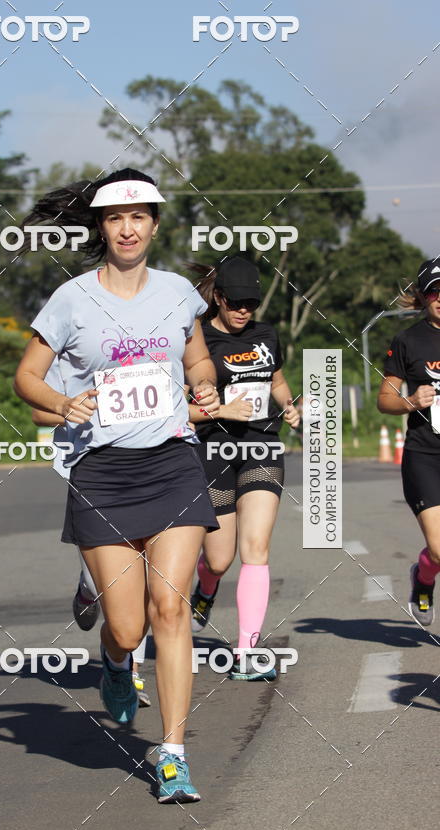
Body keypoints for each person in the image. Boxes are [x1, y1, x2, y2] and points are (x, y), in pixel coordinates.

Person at [14, 168, 220, 802]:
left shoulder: (180, 292)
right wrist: (62, 402)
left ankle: (173, 753)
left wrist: (206, 383)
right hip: (102, 472)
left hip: (174, 463)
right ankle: (114, 659)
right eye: (114, 218)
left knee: (172, 610)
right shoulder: (73, 299)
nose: (127, 228)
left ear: (154, 225)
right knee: (128, 628)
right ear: (100, 228)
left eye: (139, 217)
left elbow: (196, 358)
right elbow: (27, 377)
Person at [187, 257, 300, 679]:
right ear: (218, 297)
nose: (243, 311)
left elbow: (277, 382)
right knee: (219, 560)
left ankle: (247, 653)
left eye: (250, 303)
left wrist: (289, 407)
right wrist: (222, 412)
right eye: (235, 303)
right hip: (214, 451)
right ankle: (207, 587)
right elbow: (177, 410)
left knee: (256, 549)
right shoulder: (197, 341)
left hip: (262, 447)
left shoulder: (266, 334)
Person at [30, 378, 151, 707]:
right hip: (89, 470)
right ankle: (87, 590)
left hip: (148, 469)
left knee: (147, 581)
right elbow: (39, 414)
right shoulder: (67, 349)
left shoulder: (151, 346)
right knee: (103, 584)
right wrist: (83, 411)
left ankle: (130, 668)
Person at [378, 258, 440, 626]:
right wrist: (411, 401)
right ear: (423, 296)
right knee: (439, 548)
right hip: (426, 454)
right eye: (435, 291)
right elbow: (384, 400)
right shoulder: (407, 341)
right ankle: (423, 576)